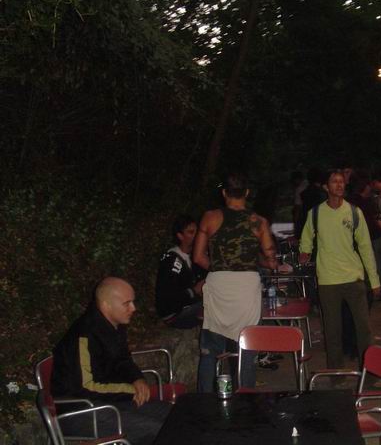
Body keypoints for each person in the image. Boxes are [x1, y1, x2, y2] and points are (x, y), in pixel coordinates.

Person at [51, 277, 172, 445]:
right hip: (80, 411)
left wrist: (137, 378)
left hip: (108, 401)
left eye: (133, 302)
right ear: (106, 305)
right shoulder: (84, 335)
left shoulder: (115, 324)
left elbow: (122, 359)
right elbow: (85, 386)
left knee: (174, 414)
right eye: (127, 303)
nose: (133, 308)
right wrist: (130, 390)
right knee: (159, 430)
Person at [193, 172, 278, 392]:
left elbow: (198, 257)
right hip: (246, 288)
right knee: (246, 348)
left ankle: (204, 400)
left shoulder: (209, 218)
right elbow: (271, 262)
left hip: (218, 285)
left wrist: (221, 268)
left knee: (210, 350)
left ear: (224, 193)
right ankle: (245, 399)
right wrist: (252, 261)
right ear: (247, 193)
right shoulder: (259, 222)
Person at [299, 170, 381, 368]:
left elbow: (365, 247)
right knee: (332, 331)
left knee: (364, 329)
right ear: (326, 187)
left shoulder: (354, 212)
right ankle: (335, 374)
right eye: (334, 181)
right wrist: (305, 251)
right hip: (328, 280)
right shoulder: (315, 213)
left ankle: (368, 371)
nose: (339, 185)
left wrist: (374, 280)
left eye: (342, 182)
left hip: (354, 278)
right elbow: (306, 237)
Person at [155, 215, 206, 329]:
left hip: (190, 306)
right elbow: (168, 299)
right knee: (217, 306)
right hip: (175, 315)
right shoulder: (172, 261)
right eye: (191, 232)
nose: (196, 235)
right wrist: (194, 291)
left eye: (197, 231)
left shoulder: (195, 255)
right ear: (180, 236)